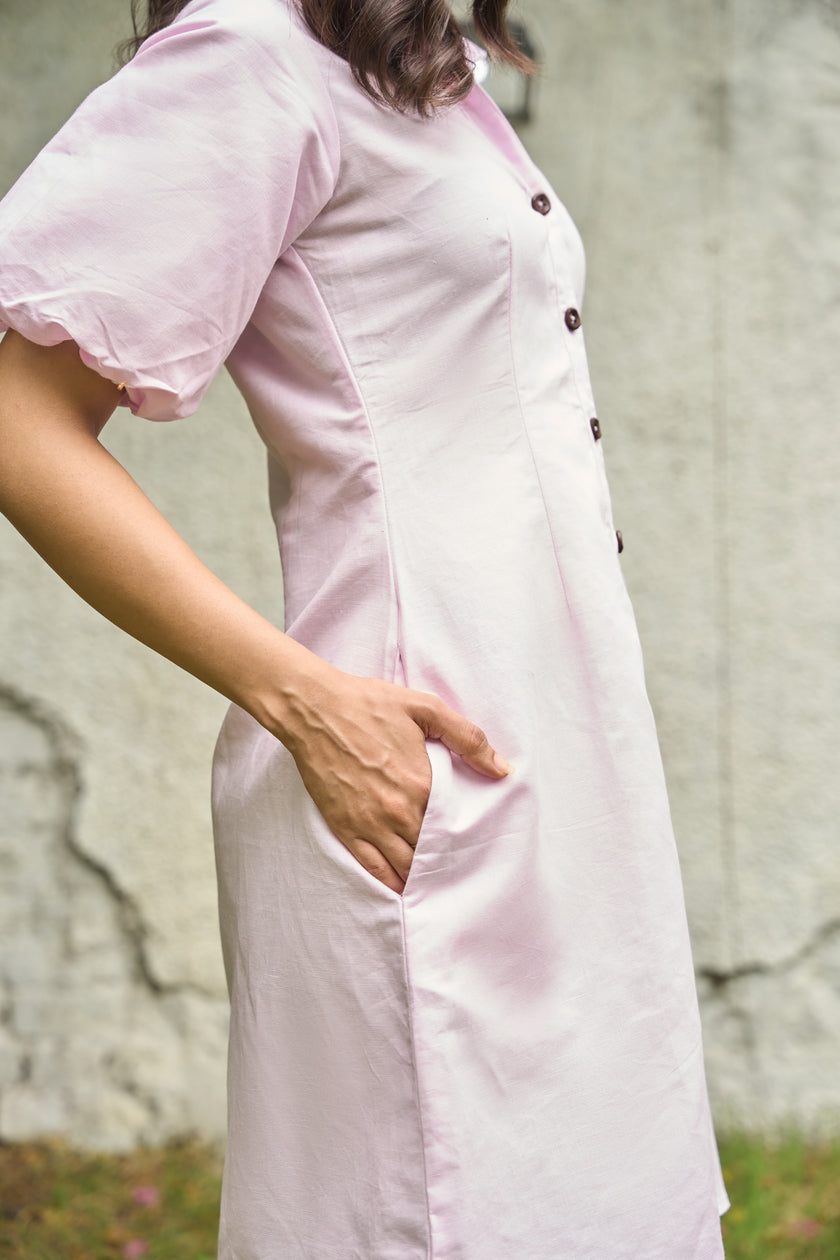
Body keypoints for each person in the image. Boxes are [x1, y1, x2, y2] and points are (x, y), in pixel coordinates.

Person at [0, 0, 730, 1254]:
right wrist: (303, 701)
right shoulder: (251, 56)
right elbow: (17, 413)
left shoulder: (422, 71)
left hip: (558, 755)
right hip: (404, 764)